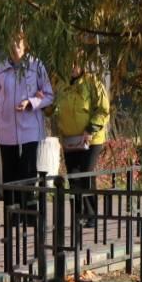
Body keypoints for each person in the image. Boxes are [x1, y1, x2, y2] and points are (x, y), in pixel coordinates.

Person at [0, 31, 55, 207]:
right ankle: (11, 216)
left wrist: (31, 102)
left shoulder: (36, 65)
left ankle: (29, 213)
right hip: (6, 129)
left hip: (31, 129)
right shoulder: (0, 68)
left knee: (28, 172)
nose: (14, 44)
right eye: (11, 40)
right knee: (9, 173)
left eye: (18, 40)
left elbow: (49, 95)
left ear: (26, 43)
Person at [48, 50, 110, 222]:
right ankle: (77, 215)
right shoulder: (60, 83)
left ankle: (91, 215)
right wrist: (42, 102)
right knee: (73, 177)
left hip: (91, 139)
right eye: (69, 63)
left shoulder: (93, 82)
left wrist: (90, 130)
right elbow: (50, 107)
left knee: (86, 173)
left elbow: (103, 110)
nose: (72, 67)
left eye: (75, 63)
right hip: (70, 139)